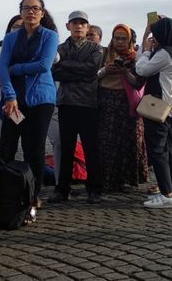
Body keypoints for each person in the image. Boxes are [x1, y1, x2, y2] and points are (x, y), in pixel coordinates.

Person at [0, 0, 59, 223]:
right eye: (26, 8)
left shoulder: (50, 36)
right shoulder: (11, 38)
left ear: (42, 13)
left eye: (36, 8)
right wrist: (10, 95)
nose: (31, 12)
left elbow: (44, 65)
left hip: (41, 100)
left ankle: (33, 197)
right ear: (20, 12)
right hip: (15, 100)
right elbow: (2, 68)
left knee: (35, 149)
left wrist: (16, 68)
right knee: (7, 146)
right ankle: (1, 193)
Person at [135, 17, 172, 209]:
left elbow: (142, 69)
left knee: (158, 151)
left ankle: (167, 194)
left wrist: (144, 50)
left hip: (160, 109)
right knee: (169, 151)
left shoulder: (164, 54)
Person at [49, 11, 103, 204]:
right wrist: (79, 70)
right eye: (75, 23)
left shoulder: (95, 49)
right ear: (68, 26)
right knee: (65, 148)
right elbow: (54, 71)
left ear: (88, 27)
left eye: (82, 23)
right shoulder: (59, 48)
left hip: (88, 104)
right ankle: (62, 188)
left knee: (91, 148)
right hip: (66, 103)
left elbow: (91, 70)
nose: (78, 26)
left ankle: (94, 188)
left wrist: (67, 67)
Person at [96, 24, 148, 192]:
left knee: (129, 141)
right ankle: (107, 180)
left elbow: (139, 82)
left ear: (129, 40)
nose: (119, 42)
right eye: (116, 38)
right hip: (106, 100)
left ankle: (126, 180)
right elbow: (92, 77)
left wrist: (125, 73)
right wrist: (105, 70)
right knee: (106, 142)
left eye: (123, 39)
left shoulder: (135, 57)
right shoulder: (104, 54)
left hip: (127, 102)